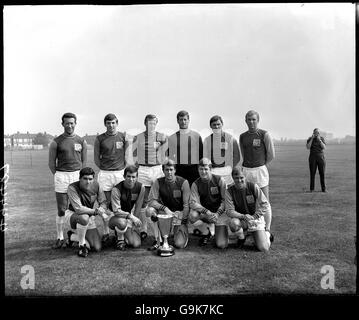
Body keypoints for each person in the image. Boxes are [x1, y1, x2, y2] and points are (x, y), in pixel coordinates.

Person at [48, 112, 87, 249]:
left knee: (77, 207)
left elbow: (84, 162)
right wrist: (59, 174)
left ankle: (76, 234)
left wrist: (79, 176)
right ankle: (60, 236)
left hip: (77, 175)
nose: (69, 125)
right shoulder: (56, 142)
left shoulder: (81, 141)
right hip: (62, 175)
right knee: (62, 209)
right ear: (62, 124)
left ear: (75, 123)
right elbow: (51, 164)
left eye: (72, 123)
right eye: (67, 123)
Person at [129, 114, 168, 241]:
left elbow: (165, 154)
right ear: (145, 123)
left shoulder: (162, 136)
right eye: (149, 123)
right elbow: (134, 156)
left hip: (157, 168)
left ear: (156, 124)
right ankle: (144, 228)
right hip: (144, 169)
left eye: (154, 123)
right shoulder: (138, 137)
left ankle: (162, 229)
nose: (151, 125)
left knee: (159, 198)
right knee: (143, 199)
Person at [94, 113, 128, 244]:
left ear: (117, 123)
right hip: (105, 173)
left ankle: (120, 234)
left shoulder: (123, 137)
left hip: (119, 173)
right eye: (108, 123)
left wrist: (122, 168)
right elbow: (97, 159)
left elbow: (128, 154)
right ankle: (106, 231)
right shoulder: (100, 138)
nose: (111, 125)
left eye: (113, 123)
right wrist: (105, 168)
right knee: (105, 203)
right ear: (105, 124)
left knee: (119, 202)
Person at [239, 110, 275, 232]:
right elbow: (243, 154)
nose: (251, 122)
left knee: (264, 200)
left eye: (254, 119)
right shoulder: (242, 136)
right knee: (249, 200)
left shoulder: (264, 134)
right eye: (249, 119)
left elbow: (271, 154)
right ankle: (251, 227)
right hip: (247, 171)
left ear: (258, 120)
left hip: (260, 170)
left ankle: (267, 229)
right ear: (245, 121)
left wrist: (260, 164)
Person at [146, 159, 190, 250]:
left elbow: (186, 205)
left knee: (179, 244)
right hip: (165, 213)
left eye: (171, 169)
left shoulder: (183, 182)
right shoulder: (158, 182)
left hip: (179, 214)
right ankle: (158, 239)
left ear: (175, 170)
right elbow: (151, 201)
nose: (169, 172)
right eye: (167, 170)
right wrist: (165, 208)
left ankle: (181, 231)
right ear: (163, 170)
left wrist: (183, 221)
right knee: (149, 211)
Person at [226, 167, 272, 252]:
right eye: (236, 178)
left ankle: (267, 234)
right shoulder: (229, 191)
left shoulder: (253, 186)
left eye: (241, 178)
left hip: (255, 219)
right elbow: (229, 211)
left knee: (264, 248)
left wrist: (255, 216)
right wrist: (243, 216)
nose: (239, 180)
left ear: (245, 177)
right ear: (232, 178)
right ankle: (241, 238)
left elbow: (265, 204)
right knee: (233, 224)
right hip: (241, 219)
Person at [64, 167, 107, 257]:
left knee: (97, 247)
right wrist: (96, 211)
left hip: (89, 216)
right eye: (85, 179)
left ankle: (71, 237)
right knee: (84, 217)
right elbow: (78, 209)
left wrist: (102, 209)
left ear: (93, 179)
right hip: (73, 215)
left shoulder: (97, 186)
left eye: (90, 179)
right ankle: (82, 245)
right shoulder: (72, 187)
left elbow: (103, 202)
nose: (88, 182)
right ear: (80, 178)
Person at [189, 158, 228, 248]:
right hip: (206, 213)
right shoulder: (196, 184)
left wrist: (217, 214)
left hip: (219, 214)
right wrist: (207, 212)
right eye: (201, 169)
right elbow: (193, 203)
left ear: (210, 169)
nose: (203, 172)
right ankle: (206, 231)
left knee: (221, 244)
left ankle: (218, 229)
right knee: (192, 216)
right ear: (198, 169)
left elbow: (225, 200)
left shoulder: (219, 180)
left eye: (206, 169)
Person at [110, 165, 145, 250]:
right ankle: (120, 238)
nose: (131, 179)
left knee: (136, 244)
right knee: (122, 223)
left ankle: (124, 233)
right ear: (124, 176)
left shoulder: (141, 187)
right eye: (128, 176)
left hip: (129, 216)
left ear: (137, 177)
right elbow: (116, 211)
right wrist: (131, 217)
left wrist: (134, 222)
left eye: (133, 177)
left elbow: (138, 206)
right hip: (115, 216)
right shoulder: (116, 189)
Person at [168, 110, 203, 185]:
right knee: (179, 193)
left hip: (194, 170)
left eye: (185, 119)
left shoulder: (196, 136)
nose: (183, 122)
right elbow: (170, 157)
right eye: (181, 120)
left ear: (188, 120)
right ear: (177, 121)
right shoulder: (172, 138)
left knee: (194, 193)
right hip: (179, 170)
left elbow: (201, 154)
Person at [203, 115, 240, 187]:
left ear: (222, 124)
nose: (216, 127)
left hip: (226, 171)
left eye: (218, 124)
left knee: (227, 195)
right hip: (213, 171)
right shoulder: (207, 140)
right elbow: (205, 158)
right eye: (214, 125)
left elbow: (237, 156)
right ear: (210, 126)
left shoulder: (230, 138)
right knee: (215, 195)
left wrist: (230, 168)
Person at [306, 128, 326, 192]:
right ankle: (312, 189)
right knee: (312, 173)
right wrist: (312, 139)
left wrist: (319, 140)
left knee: (322, 173)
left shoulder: (322, 139)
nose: (316, 134)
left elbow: (324, 147)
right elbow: (308, 147)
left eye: (317, 132)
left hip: (321, 157)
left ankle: (323, 189)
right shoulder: (310, 139)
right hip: (312, 158)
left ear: (319, 133)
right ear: (313, 133)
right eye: (315, 132)